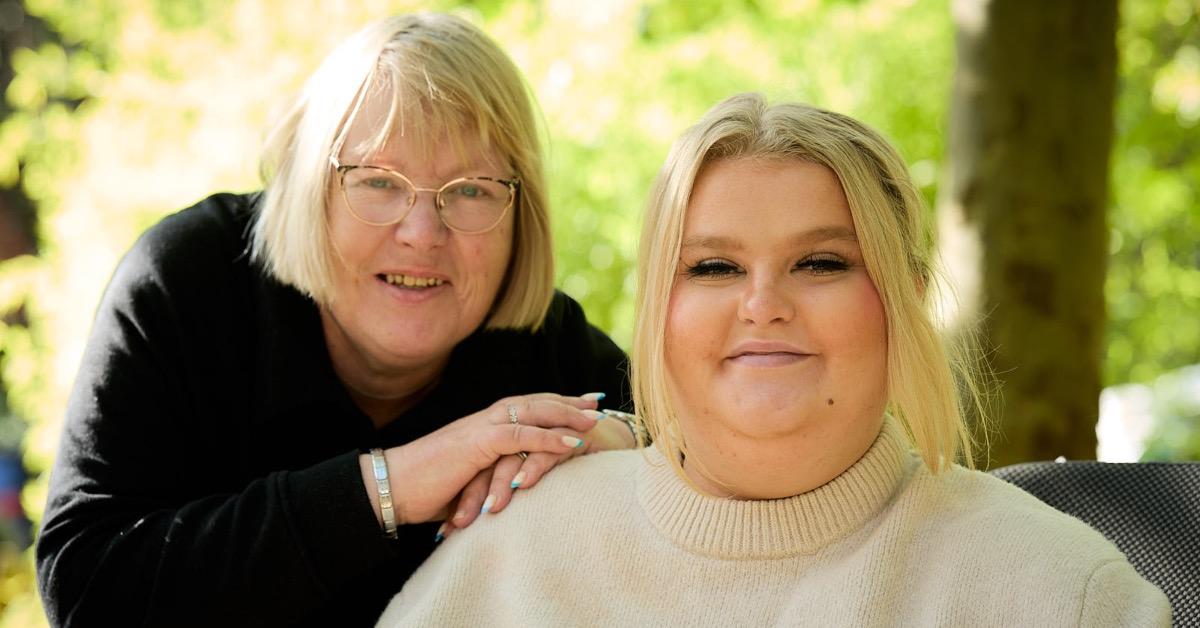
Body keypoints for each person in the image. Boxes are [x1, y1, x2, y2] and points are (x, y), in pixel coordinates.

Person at [377, 93, 1172, 626]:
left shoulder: (1061, 593)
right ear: (659, 311)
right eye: (714, 268)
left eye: (821, 263)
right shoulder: (510, 557)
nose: (762, 304)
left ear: (909, 297)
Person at [35, 13, 639, 627]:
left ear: (518, 214)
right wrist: (388, 487)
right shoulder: (188, 281)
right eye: (378, 182)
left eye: (470, 190)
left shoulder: (542, 343)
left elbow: (696, 444)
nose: (423, 234)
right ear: (308, 190)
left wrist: (619, 443)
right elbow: (85, 589)